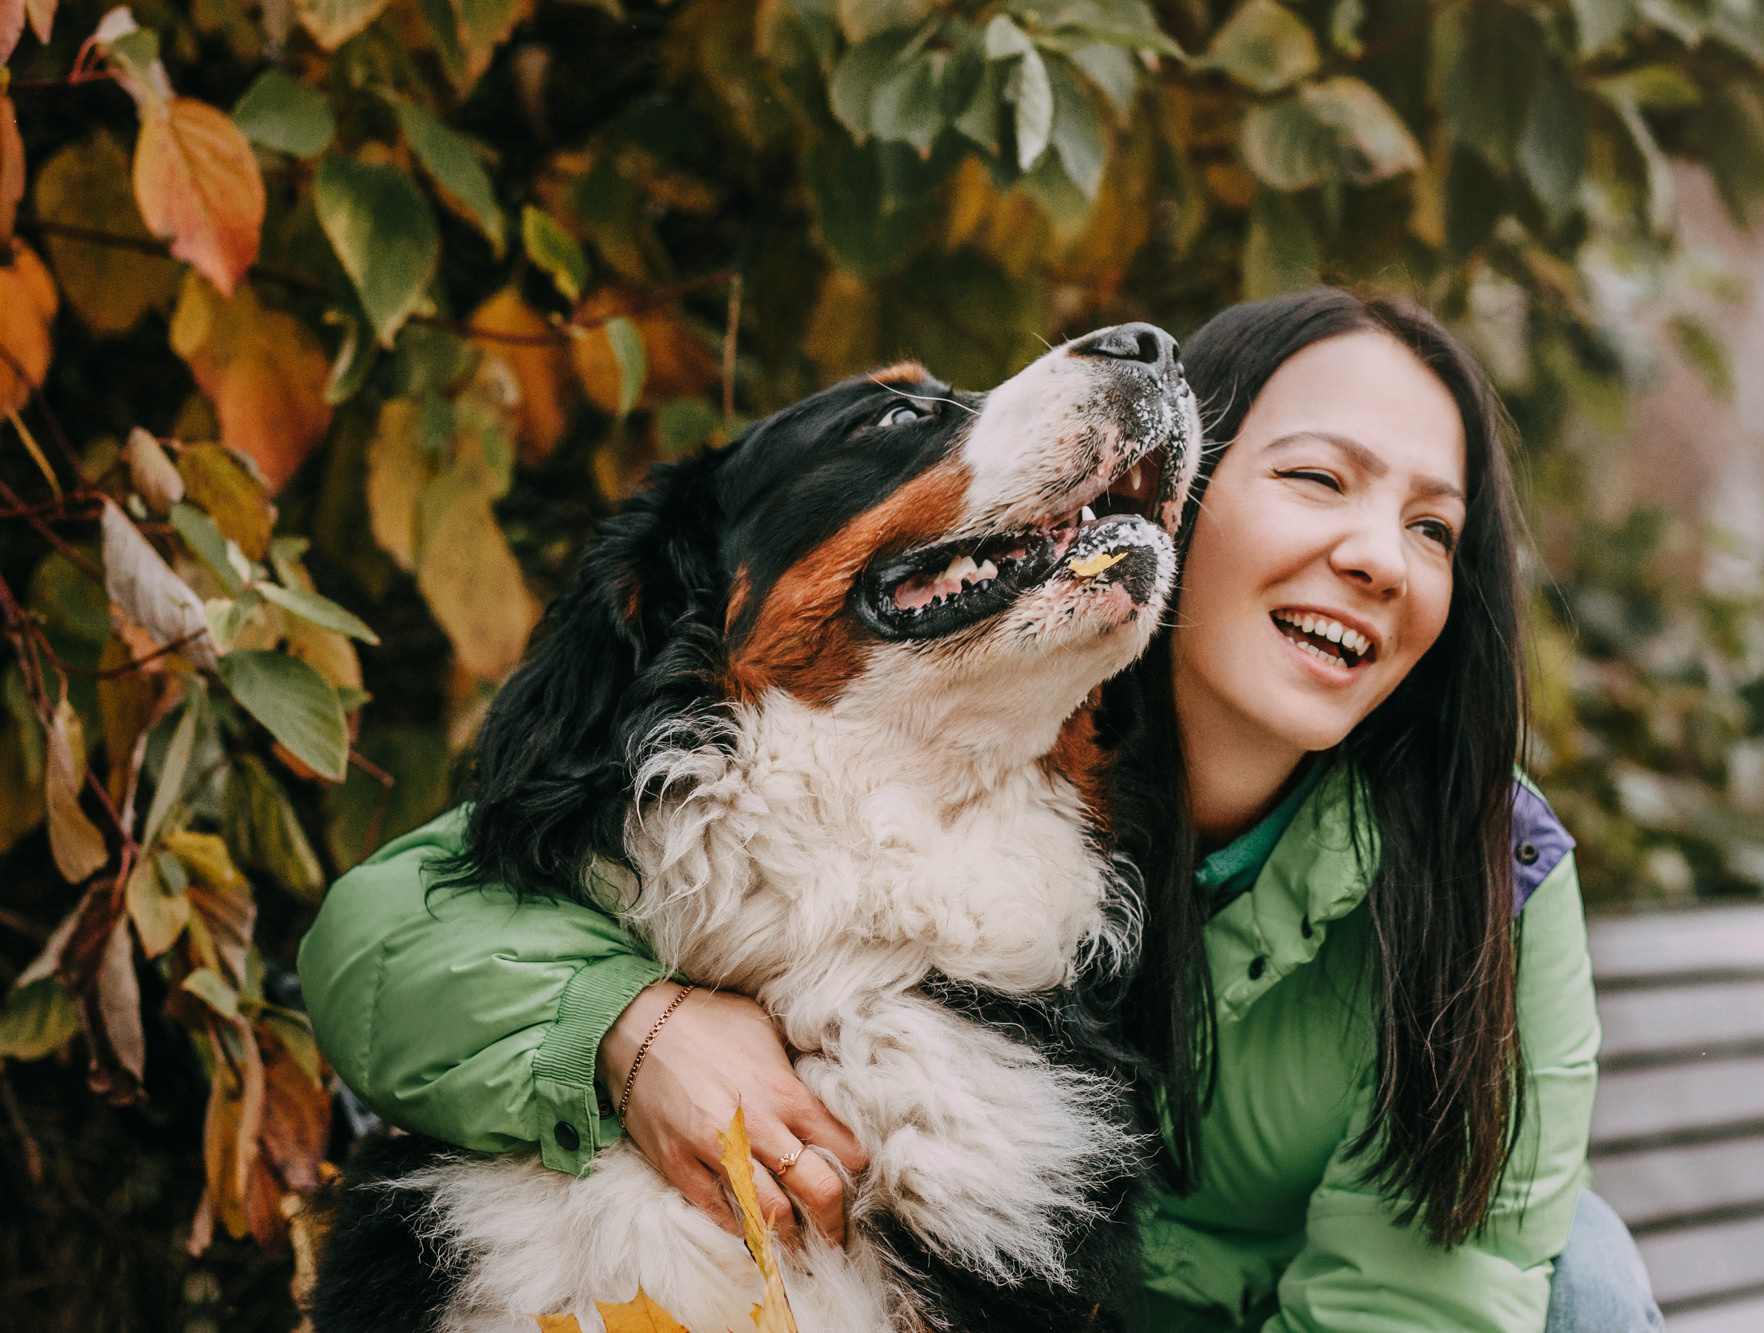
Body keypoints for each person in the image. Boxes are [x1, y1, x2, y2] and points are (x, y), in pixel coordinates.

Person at [299, 289, 1664, 1332]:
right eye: (1318, 479)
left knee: (1583, 1270)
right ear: (1185, 491)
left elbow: (1420, 1301)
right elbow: (394, 925)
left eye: (1435, 527)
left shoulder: (1481, 867)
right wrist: (633, 1025)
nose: (1377, 555)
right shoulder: (1019, 723)